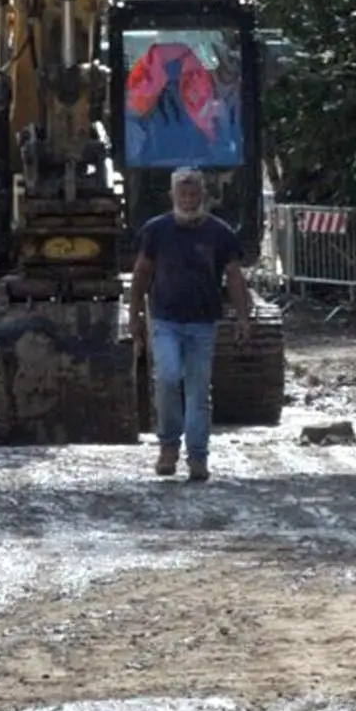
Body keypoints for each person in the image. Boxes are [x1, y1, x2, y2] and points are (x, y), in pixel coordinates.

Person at [127, 166, 253, 481]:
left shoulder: (220, 233)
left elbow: (235, 278)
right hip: (166, 321)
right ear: (173, 196)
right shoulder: (156, 231)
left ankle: (197, 457)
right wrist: (134, 315)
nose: (188, 200)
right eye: (182, 194)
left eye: (194, 194)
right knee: (168, 378)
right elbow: (142, 273)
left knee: (198, 391)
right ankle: (168, 446)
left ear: (204, 197)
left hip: (203, 324)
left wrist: (242, 318)